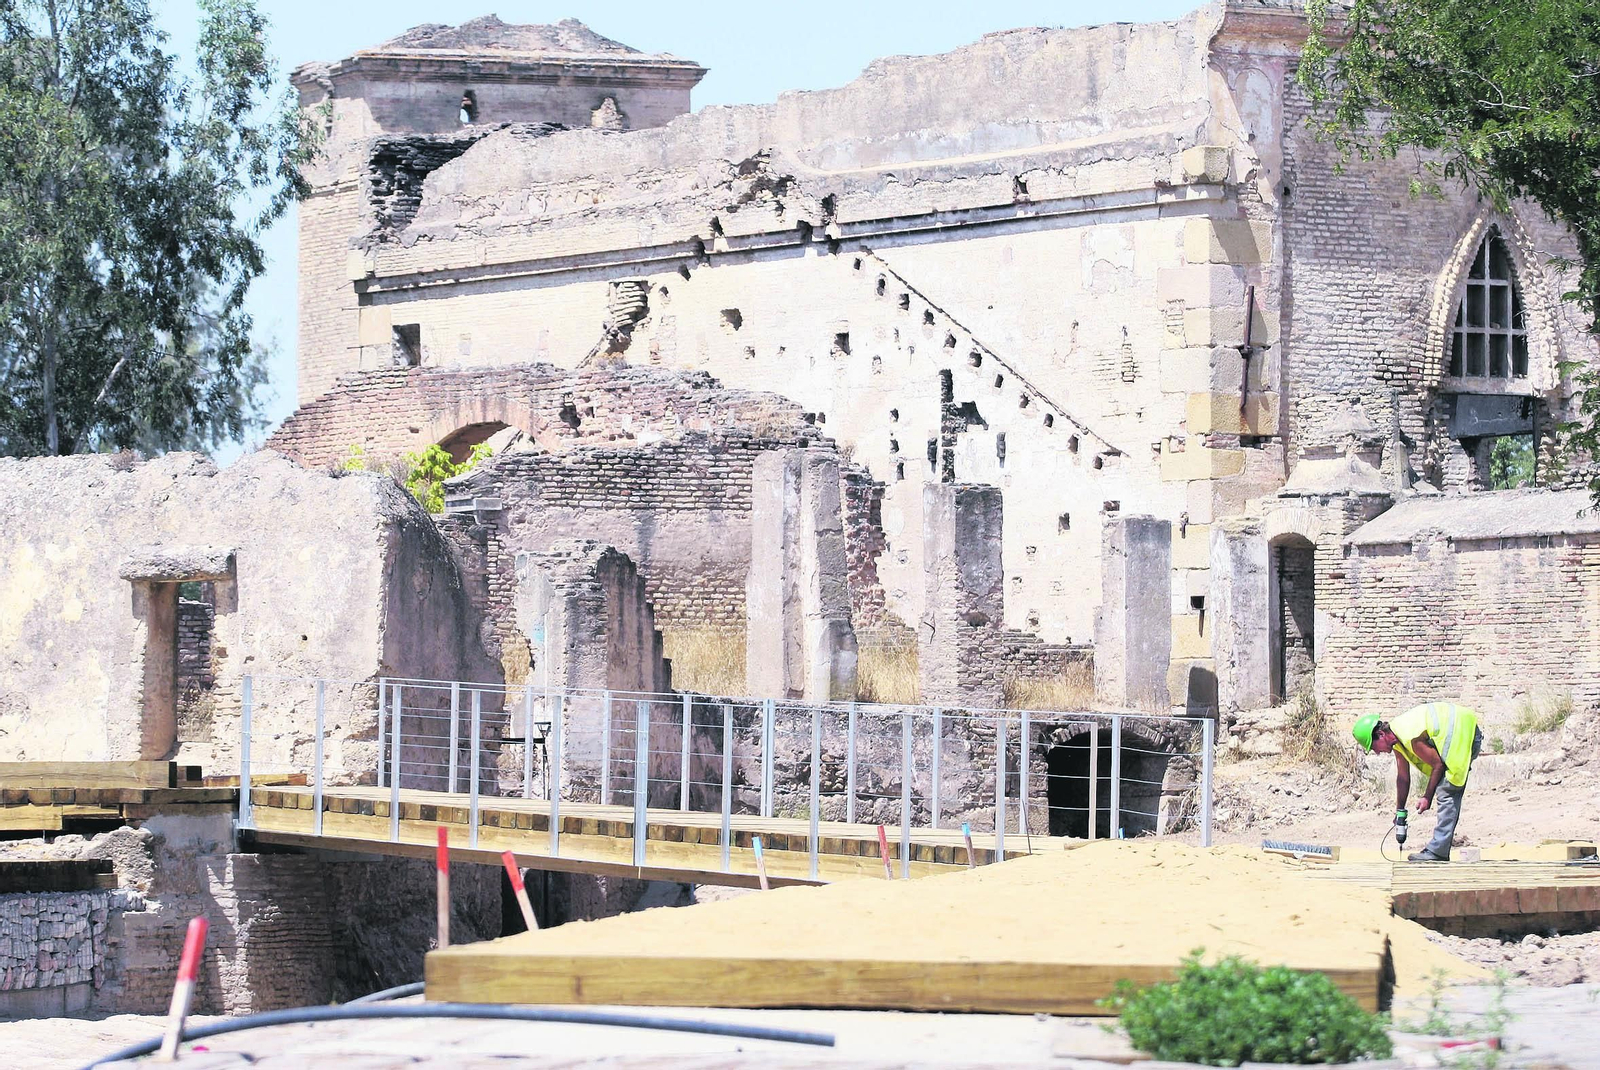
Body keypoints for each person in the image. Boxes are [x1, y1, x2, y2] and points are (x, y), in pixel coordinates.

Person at [1351, 702, 1483, 861]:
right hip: (1461, 727)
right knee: (1445, 787)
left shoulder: (1410, 737)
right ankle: (1439, 848)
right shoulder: (1397, 739)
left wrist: (1427, 797)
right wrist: (1400, 812)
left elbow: (1438, 765)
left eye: (1373, 747)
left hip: (1462, 731)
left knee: (1447, 791)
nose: (1377, 752)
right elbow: (1403, 777)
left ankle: (1438, 852)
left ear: (1380, 734)